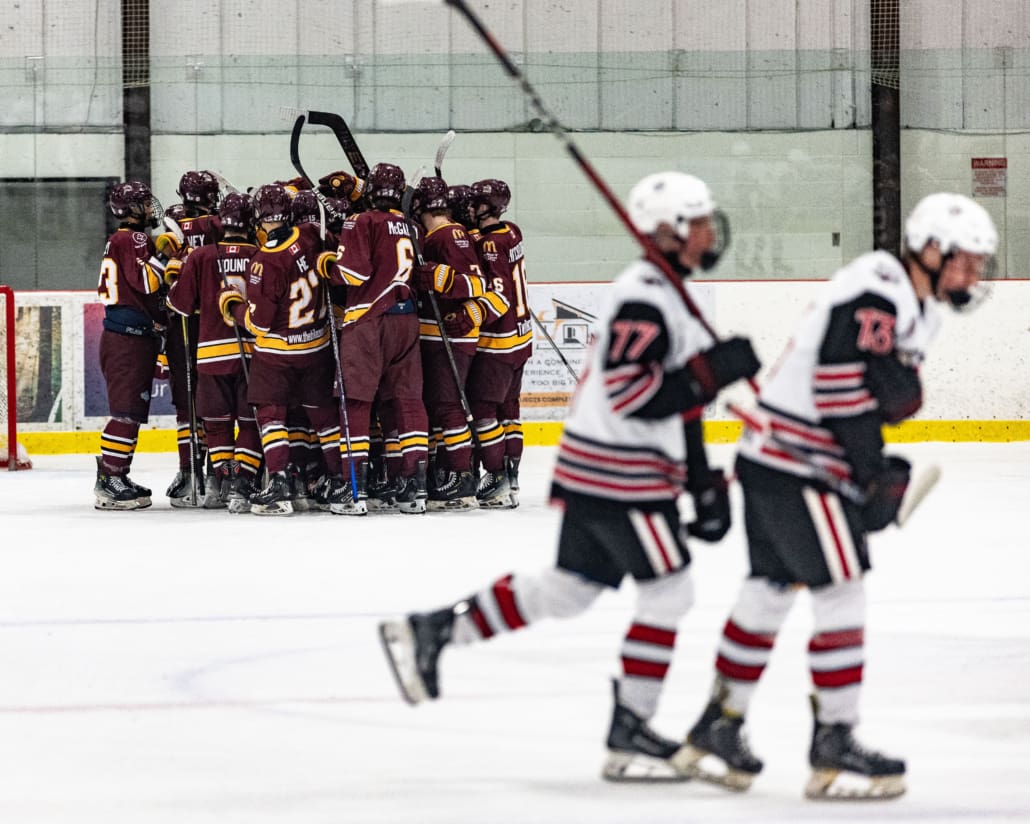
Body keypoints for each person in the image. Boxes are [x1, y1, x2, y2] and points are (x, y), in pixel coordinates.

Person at [378, 172, 760, 781]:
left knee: (569, 589)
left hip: (605, 468)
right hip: (619, 472)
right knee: (670, 591)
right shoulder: (645, 296)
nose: (713, 230)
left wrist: (702, 479)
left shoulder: (668, 291)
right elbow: (635, 394)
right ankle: (631, 726)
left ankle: (434, 630)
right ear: (670, 230)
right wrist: (713, 375)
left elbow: (679, 401)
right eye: (701, 219)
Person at [679, 193, 998, 801]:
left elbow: (868, 390)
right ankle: (835, 737)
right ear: (931, 249)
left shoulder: (913, 302)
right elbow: (837, 386)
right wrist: (870, 472)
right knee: (842, 590)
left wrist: (867, 462)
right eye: (967, 261)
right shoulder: (879, 289)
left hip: (776, 459)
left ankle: (717, 726)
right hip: (798, 466)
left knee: (768, 591)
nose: (974, 275)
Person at [217, 183, 344, 516]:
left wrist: (233, 307)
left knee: (270, 414)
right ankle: (340, 481)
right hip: (317, 346)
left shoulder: (265, 261)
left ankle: (280, 484)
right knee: (324, 417)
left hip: (278, 354)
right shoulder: (312, 234)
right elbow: (337, 247)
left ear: (258, 219)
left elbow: (260, 324)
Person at [328, 162, 431, 515]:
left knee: (356, 401)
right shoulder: (412, 227)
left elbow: (351, 273)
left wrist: (328, 261)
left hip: (369, 320)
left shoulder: (362, 221)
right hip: (407, 319)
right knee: (408, 401)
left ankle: (352, 488)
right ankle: (414, 487)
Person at [411, 175, 508, 511]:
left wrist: (440, 278)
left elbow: (476, 284)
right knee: (442, 407)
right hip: (445, 335)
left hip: (449, 336)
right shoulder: (446, 233)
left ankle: (461, 478)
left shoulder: (448, 235)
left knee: (449, 407)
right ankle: (453, 473)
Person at [165, 192, 260, 512]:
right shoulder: (261, 253)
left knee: (217, 425)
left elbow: (178, 305)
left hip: (211, 355)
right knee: (250, 424)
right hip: (251, 352)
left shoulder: (202, 256)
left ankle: (222, 481)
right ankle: (242, 486)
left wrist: (177, 271)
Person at [94, 180, 168, 510]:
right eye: (143, 203)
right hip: (126, 340)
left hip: (128, 338)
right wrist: (166, 254)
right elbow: (148, 281)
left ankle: (118, 474)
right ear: (132, 210)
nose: (150, 209)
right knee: (125, 412)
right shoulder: (134, 238)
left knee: (132, 412)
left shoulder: (120, 240)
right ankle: (109, 479)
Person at [465, 179, 533, 508]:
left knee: (482, 409)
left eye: (475, 204)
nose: (469, 208)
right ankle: (512, 474)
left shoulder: (491, 246)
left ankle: (495, 477)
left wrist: (471, 314)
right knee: (510, 410)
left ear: (488, 208)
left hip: (500, 342)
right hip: (523, 338)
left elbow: (500, 294)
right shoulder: (512, 231)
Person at [164, 170, 224, 505]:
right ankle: (217, 473)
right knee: (217, 403)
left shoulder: (173, 225)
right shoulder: (219, 224)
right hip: (216, 322)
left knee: (188, 407)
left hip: (181, 322)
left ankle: (188, 472)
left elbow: (162, 275)